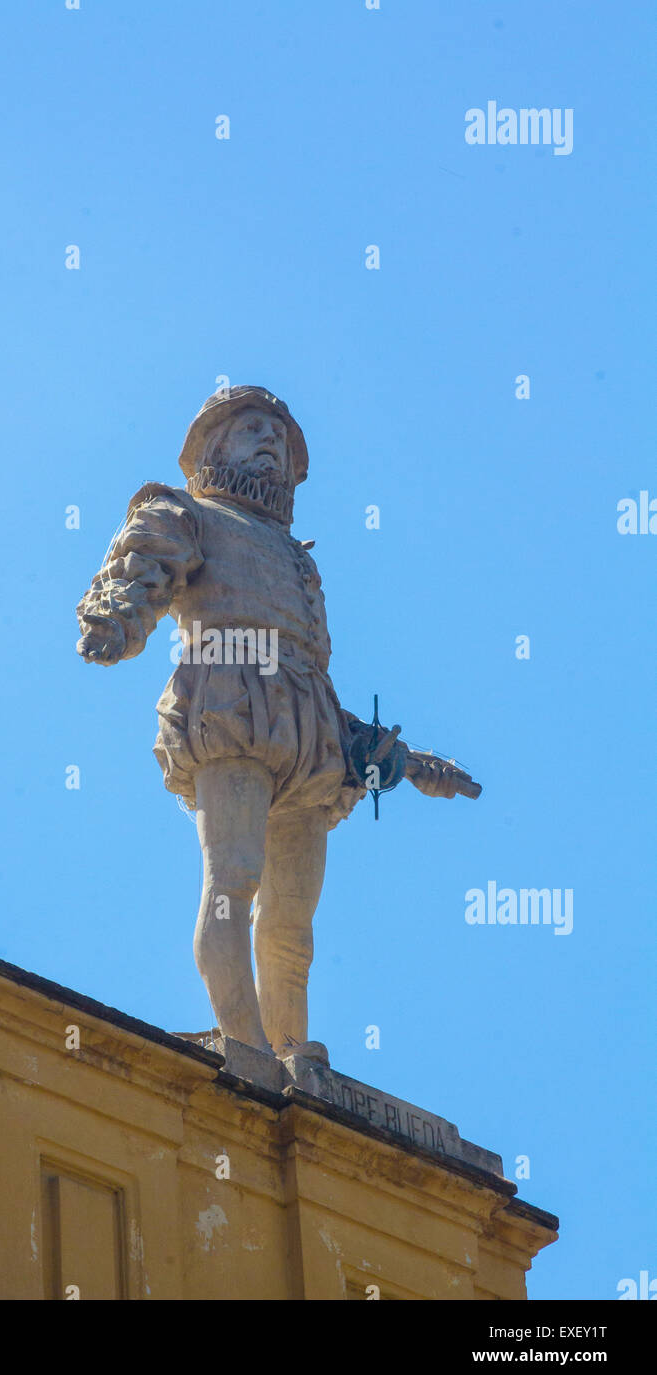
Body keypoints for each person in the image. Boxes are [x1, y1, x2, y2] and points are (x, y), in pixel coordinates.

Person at [77, 386, 454, 1061]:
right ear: (214, 445)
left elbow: (307, 666)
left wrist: (410, 761)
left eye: (280, 435)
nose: (270, 441)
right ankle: (244, 1048)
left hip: (308, 729)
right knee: (234, 877)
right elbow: (140, 573)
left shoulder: (298, 557)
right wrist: (116, 619)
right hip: (231, 705)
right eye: (253, 427)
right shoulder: (185, 511)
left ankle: (288, 1052)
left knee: (291, 926)